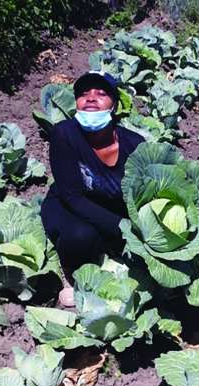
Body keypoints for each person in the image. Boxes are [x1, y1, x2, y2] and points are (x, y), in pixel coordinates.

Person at [40, 71, 145, 306]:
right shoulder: (65, 134)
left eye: (101, 93)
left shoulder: (135, 145)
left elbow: (144, 196)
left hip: (111, 212)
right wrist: (123, 230)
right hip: (67, 207)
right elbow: (73, 198)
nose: (90, 98)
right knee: (81, 236)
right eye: (84, 93)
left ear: (114, 106)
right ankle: (70, 270)